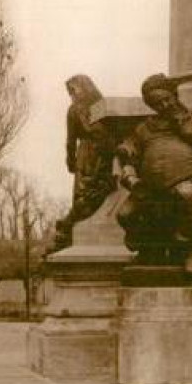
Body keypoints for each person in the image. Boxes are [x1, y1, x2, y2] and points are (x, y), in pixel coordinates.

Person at [115, 74, 192, 273]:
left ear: (175, 95)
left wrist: (188, 131)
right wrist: (128, 165)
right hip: (150, 188)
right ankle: (147, 247)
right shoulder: (144, 128)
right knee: (125, 214)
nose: (164, 105)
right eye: (158, 103)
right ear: (151, 106)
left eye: (167, 99)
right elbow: (131, 154)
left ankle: (190, 252)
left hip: (186, 182)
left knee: (188, 194)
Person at [52, 75, 115, 252]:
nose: (71, 95)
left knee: (83, 194)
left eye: (72, 91)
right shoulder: (103, 107)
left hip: (86, 155)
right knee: (96, 191)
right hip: (105, 153)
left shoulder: (74, 110)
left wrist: (70, 161)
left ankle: (70, 230)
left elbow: (70, 140)